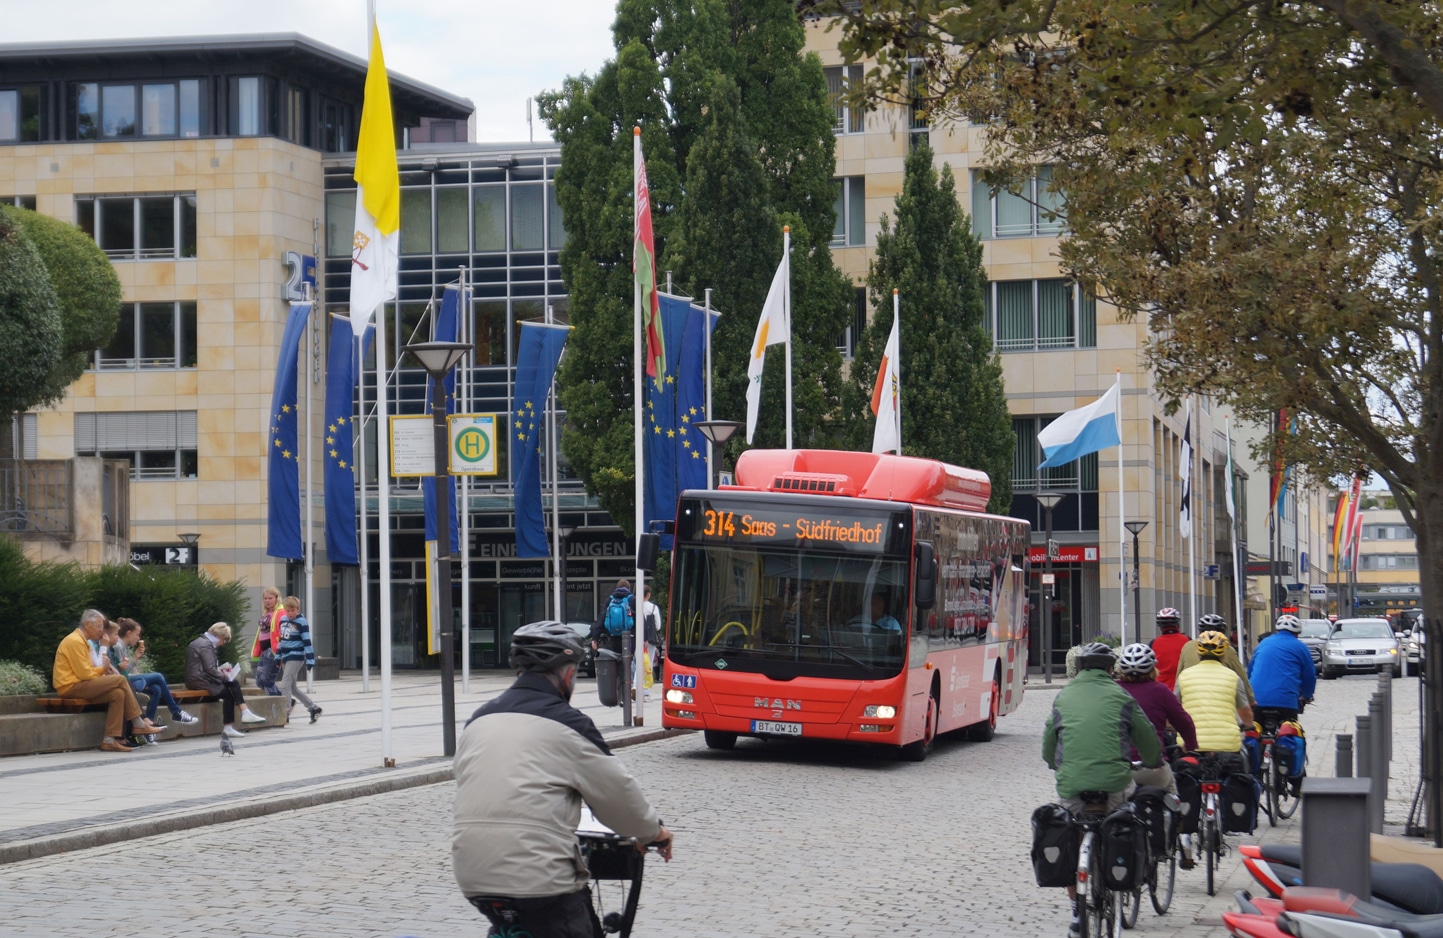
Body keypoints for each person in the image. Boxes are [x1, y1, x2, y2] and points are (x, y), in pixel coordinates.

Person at [454, 620, 674, 937]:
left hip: (473, 876)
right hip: (539, 879)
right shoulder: (569, 723)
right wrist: (655, 833)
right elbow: (618, 797)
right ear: (568, 673)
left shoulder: (478, 720)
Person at [1042, 642, 1161, 938]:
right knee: (1123, 820)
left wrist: (1053, 764)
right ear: (1111, 669)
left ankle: (1076, 911)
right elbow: (1146, 737)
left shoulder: (1064, 696)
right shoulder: (1121, 695)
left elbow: (1048, 742)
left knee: (1071, 839)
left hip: (1073, 785)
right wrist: (1152, 760)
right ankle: (1117, 878)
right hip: (1113, 784)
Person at [51, 609, 167, 752]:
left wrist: (103, 671)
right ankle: (138, 722)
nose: (101, 631)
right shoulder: (75, 641)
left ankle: (109, 740)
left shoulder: (82, 641)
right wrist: (103, 669)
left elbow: (86, 671)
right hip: (71, 686)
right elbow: (85, 673)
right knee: (119, 680)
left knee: (118, 694)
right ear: (87, 624)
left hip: (79, 684)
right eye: (99, 626)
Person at [109, 618, 199, 742]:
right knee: (158, 676)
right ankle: (176, 712)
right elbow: (122, 674)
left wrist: (135, 657)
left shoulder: (122, 646)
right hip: (123, 681)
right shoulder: (118, 645)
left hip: (125, 680)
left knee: (156, 689)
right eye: (137, 634)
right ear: (129, 633)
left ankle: (148, 726)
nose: (138, 637)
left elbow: (125, 670)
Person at [1174, 630, 1253, 758]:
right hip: (1227, 746)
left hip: (1189, 746)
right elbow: (1246, 712)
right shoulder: (1233, 677)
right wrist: (1249, 725)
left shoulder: (1184, 676)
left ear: (1198, 652)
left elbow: (1174, 708)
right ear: (1223, 654)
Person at [185, 622, 267, 738]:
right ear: (220, 636)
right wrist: (225, 677)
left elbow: (206, 668)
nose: (223, 644)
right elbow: (210, 669)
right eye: (224, 641)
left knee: (232, 684)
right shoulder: (206, 645)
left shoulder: (201, 642)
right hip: (200, 681)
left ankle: (244, 713)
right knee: (229, 692)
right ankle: (234, 721)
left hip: (196, 679)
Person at [1247, 614, 1316, 722]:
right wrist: (1307, 695)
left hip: (1257, 700)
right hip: (1286, 702)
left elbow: (1250, 672)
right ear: (1297, 634)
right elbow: (1309, 675)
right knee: (1290, 733)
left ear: (1277, 630)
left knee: (1254, 731)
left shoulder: (1263, 643)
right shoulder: (1300, 647)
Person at [1177, 614, 1256, 706]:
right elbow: (1241, 677)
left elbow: (1179, 674)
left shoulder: (1188, 647)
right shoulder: (1228, 650)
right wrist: (1251, 699)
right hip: (1220, 701)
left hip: (1191, 701)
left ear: (1199, 632)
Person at [276, 595, 322, 723]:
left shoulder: (301, 622)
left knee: (284, 684)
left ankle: (285, 713)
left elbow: (307, 641)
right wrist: (277, 656)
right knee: (292, 687)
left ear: (298, 609)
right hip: (285, 655)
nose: (290, 613)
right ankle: (313, 708)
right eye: (288, 610)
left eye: (293, 610)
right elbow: (282, 640)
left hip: (296, 656)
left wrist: (310, 659)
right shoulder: (283, 620)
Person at [249, 586, 284, 696]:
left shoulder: (280, 613)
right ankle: (284, 699)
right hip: (264, 650)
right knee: (260, 681)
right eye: (265, 598)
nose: (267, 601)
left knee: (267, 680)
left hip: (273, 650)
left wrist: (281, 651)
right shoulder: (266, 612)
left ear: (276, 598)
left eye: (270, 598)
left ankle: (280, 703)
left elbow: (282, 632)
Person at [589, 579, 635, 657]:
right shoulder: (632, 599)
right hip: (630, 637)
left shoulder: (610, 600)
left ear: (617, 587)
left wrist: (595, 638)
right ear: (629, 588)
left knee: (614, 661)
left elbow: (601, 618)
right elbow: (640, 619)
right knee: (630, 662)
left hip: (613, 637)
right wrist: (645, 638)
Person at [1149, 607, 1189, 689]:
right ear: (1177, 623)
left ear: (1160, 626)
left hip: (1160, 688)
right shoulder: (1187, 641)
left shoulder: (1154, 643)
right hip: (1183, 686)